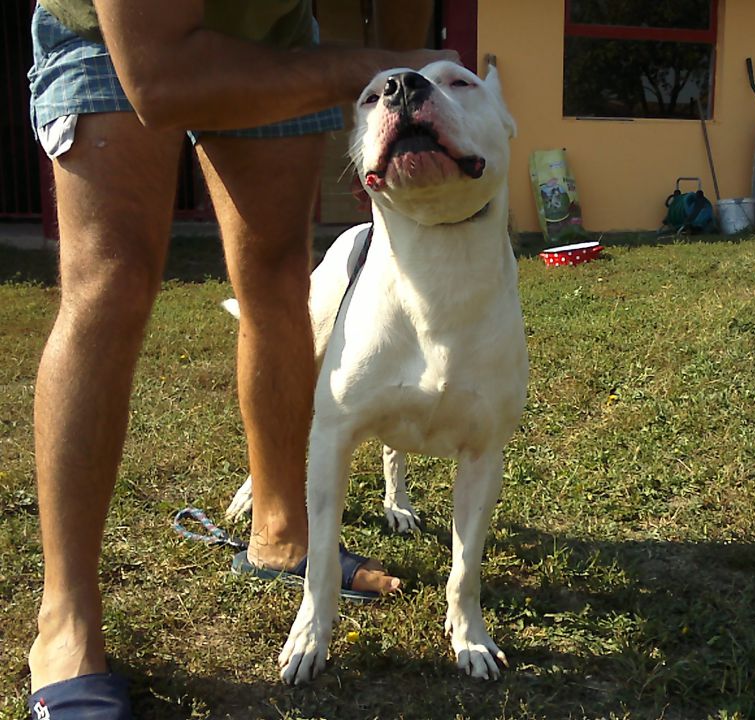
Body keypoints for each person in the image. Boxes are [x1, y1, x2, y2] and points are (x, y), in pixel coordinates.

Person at [25, 0, 456, 716]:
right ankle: (65, 618)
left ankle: (281, 536)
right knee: (112, 279)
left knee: (280, 276)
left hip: (273, 34)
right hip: (116, 38)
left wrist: (396, 92)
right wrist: (355, 69)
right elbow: (159, 81)